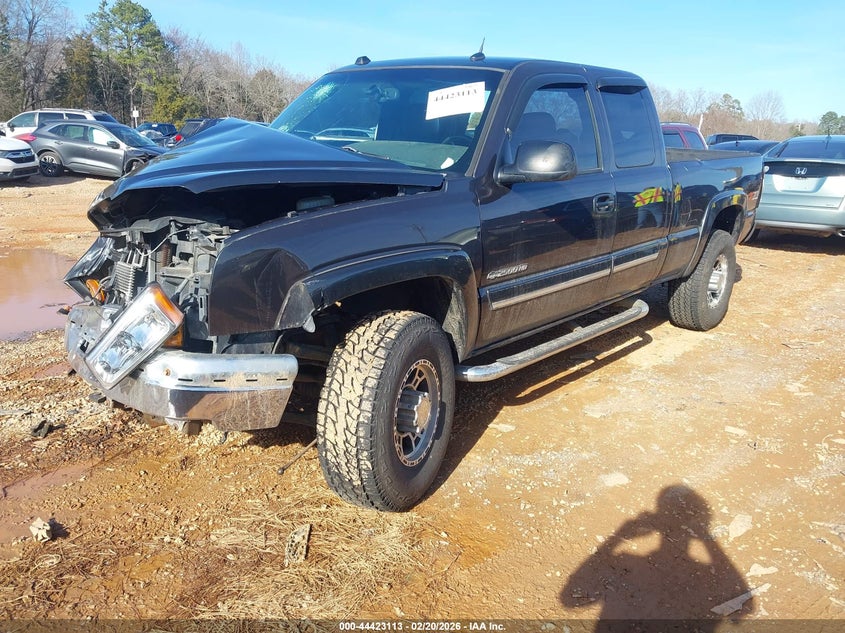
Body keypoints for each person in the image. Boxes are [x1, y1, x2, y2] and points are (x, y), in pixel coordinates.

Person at [561, 485, 752, 631]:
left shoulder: (628, 563)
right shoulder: (701, 575)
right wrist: (708, 539)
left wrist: (617, 537)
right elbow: (744, 603)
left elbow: (569, 599)